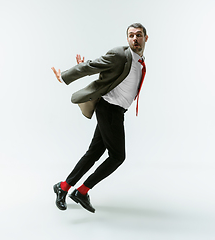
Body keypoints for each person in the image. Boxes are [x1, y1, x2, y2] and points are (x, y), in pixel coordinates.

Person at [51, 23, 148, 213]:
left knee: (94, 153)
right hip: (109, 109)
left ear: (146, 38)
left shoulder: (140, 60)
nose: (134, 39)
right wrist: (64, 76)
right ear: (127, 39)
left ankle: (63, 187)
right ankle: (82, 191)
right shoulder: (121, 54)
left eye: (138, 35)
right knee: (118, 157)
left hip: (116, 111)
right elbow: (92, 66)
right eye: (131, 35)